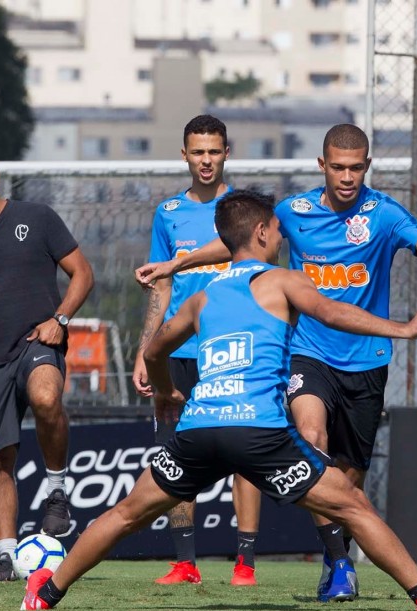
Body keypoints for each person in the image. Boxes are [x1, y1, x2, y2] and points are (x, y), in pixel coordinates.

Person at [21, 189, 417, 611]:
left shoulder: (203, 297)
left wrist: (165, 390)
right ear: (262, 232)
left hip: (198, 431)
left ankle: (45, 594)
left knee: (126, 514)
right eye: (278, 229)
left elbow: (154, 350)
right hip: (259, 432)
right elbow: (332, 312)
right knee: (353, 505)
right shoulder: (281, 281)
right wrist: (402, 328)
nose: (282, 235)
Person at [134, 123, 417, 601]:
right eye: (338, 167)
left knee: (348, 479)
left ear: (366, 167)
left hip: (366, 359)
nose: (346, 177)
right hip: (307, 351)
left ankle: (338, 559)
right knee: (311, 437)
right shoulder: (294, 211)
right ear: (321, 166)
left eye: (355, 168)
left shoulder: (385, 214)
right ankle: (339, 564)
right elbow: (237, 242)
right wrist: (174, 264)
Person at [0, 152, 94, 581]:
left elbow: (82, 272)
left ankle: (58, 493)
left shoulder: (38, 217)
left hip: (36, 342)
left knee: (47, 397)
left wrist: (60, 319)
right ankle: (7, 558)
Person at [131, 114, 262, 586]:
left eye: (214, 151)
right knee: (174, 454)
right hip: (180, 351)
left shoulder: (246, 211)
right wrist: (147, 350)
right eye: (197, 151)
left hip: (231, 347)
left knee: (245, 451)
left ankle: (245, 562)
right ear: (184, 154)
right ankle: (185, 563)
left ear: (227, 153)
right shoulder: (167, 213)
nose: (205, 160)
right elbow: (161, 284)